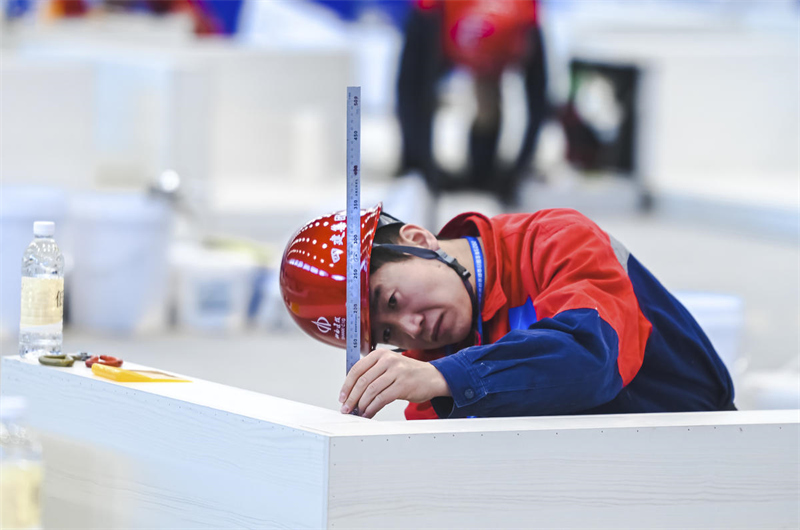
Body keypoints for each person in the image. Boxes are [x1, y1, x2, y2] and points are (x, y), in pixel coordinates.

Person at [279, 204, 735, 420]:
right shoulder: (428, 391)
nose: (411, 328)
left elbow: (592, 356)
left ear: (418, 241)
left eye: (392, 301)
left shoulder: (555, 239)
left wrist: (451, 377)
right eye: (386, 333)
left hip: (710, 468)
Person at [396, 0, 547, 206]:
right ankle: (422, 164)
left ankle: (481, 171)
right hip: (444, 22)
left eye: (493, 64)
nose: (484, 66)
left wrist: (518, 170)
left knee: (487, 101)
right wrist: (422, 165)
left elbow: (538, 103)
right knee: (416, 86)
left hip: (494, 30)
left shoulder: (526, 22)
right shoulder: (430, 18)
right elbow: (413, 93)